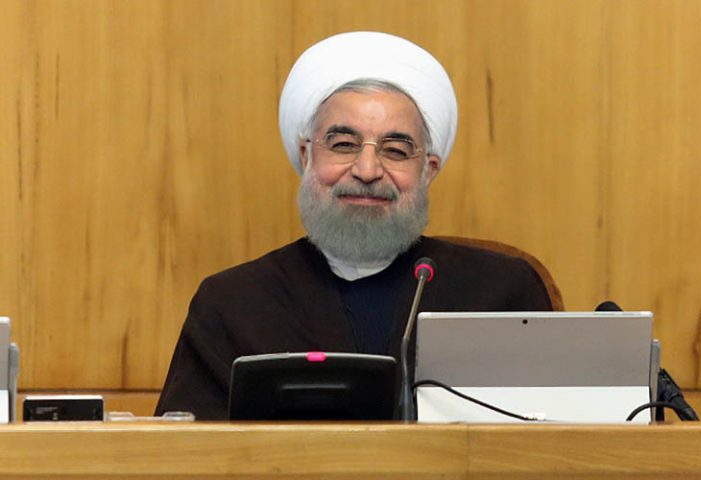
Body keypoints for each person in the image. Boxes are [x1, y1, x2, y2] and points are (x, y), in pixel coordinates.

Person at [155, 32, 553, 420]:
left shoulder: (500, 293)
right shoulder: (233, 303)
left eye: (395, 150)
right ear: (307, 156)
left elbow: (550, 441)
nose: (367, 170)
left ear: (428, 171)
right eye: (344, 145)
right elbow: (184, 450)